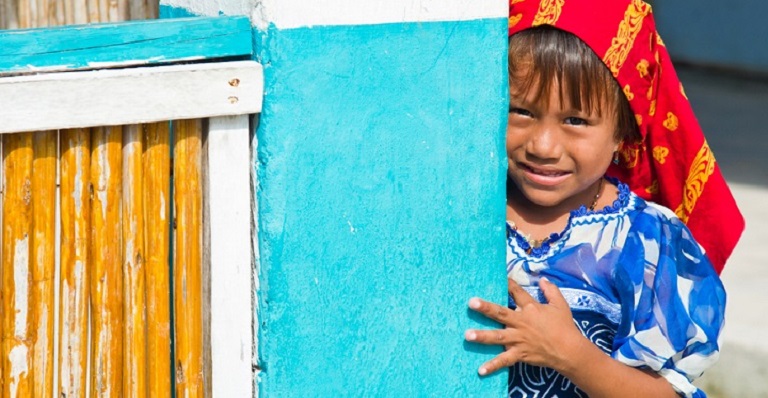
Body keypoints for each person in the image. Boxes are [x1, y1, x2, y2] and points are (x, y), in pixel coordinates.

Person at [464, 0, 744, 397]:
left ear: (623, 131)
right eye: (520, 111)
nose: (543, 146)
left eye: (575, 120)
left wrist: (571, 355)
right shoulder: (464, 210)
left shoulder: (645, 244)